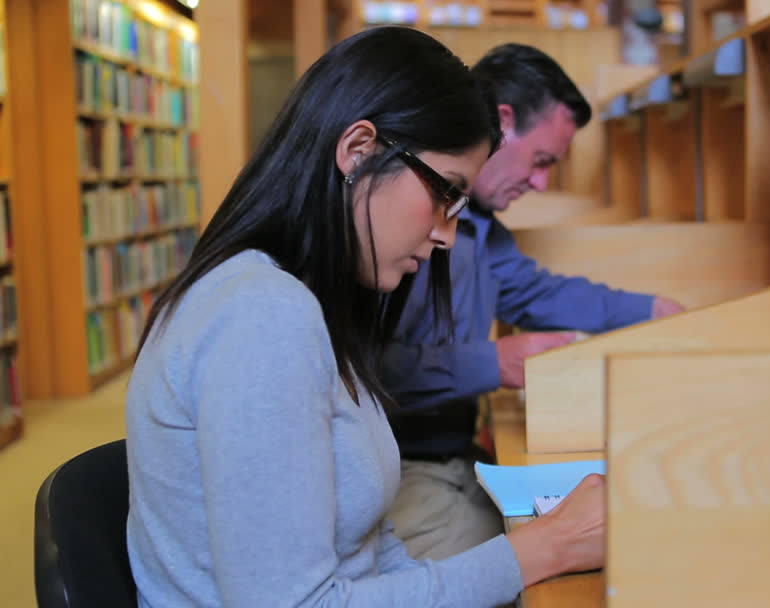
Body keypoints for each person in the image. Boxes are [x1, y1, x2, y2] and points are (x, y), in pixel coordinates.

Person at [125, 27, 604, 608]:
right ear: (359, 150)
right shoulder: (261, 316)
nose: (447, 237)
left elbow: (368, 548)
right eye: (445, 195)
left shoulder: (305, 299)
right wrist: (546, 548)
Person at [384, 44, 685, 560]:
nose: (541, 183)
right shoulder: (405, 223)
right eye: (541, 161)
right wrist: (492, 363)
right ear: (502, 122)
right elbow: (361, 368)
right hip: (404, 468)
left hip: (449, 457)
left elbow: (537, 293)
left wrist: (653, 310)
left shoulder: (481, 229)